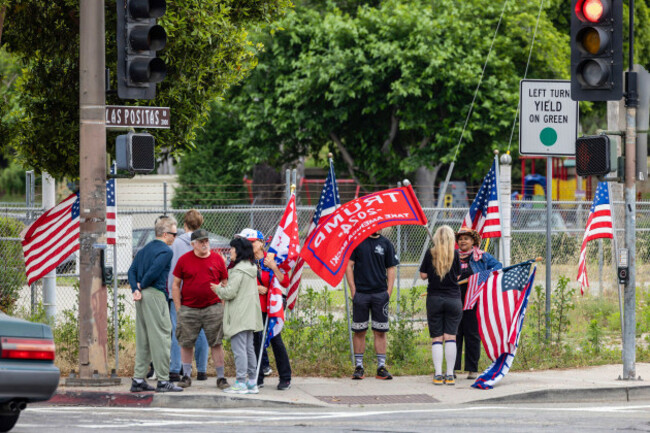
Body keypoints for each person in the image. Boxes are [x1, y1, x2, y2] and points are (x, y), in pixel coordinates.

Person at [128, 215, 183, 393]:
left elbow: (132, 270)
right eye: (174, 234)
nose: (175, 237)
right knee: (162, 336)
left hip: (141, 296)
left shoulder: (144, 249)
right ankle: (163, 380)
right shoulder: (166, 251)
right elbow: (154, 271)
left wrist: (135, 289)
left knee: (143, 337)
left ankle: (138, 379)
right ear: (165, 234)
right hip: (156, 294)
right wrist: (142, 284)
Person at [171, 228, 230, 390]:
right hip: (189, 309)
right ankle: (186, 375)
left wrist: (221, 305)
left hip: (213, 307)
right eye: (201, 242)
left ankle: (221, 377)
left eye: (206, 241)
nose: (205, 244)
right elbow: (175, 285)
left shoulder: (217, 259)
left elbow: (225, 283)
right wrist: (179, 308)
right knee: (186, 342)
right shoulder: (184, 260)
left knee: (216, 343)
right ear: (193, 244)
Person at [236, 228, 293, 391]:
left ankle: (285, 377)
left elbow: (284, 282)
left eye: (252, 242)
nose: (249, 245)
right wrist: (255, 288)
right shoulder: (244, 261)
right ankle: (257, 377)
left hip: (271, 308)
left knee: (276, 341)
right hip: (253, 307)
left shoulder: (272, 258)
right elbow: (238, 283)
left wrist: (274, 267)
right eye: (246, 242)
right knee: (254, 342)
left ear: (261, 243)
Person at [345, 231, 399, 380]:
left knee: (380, 332)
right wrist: (353, 290)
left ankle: (381, 367)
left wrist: (388, 292)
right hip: (361, 294)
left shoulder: (386, 243)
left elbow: (391, 268)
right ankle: (359, 367)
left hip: (380, 295)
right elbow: (348, 266)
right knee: (359, 331)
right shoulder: (358, 242)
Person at [215, 237, 264, 394]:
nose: (230, 251)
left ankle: (241, 382)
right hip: (249, 315)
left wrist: (216, 289)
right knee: (249, 348)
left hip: (239, 315)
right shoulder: (250, 268)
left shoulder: (238, 271)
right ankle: (252, 383)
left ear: (239, 250)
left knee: (240, 350)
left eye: (232, 249)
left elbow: (229, 292)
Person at [166, 209, 210, 382]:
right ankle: (202, 370)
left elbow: (171, 270)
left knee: (179, 330)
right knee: (201, 331)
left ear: (184, 225)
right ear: (200, 225)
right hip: (199, 292)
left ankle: (176, 369)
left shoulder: (175, 244)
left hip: (178, 293)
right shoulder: (204, 243)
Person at [454, 228, 502, 380]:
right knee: (454, 335)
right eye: (461, 238)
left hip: (473, 301)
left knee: (472, 334)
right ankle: (452, 369)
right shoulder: (452, 256)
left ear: (473, 241)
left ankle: (472, 369)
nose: (463, 241)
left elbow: (498, 267)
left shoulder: (482, 257)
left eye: (466, 238)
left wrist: (481, 277)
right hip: (454, 300)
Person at [420, 225, 462, 386]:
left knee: (437, 337)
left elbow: (423, 275)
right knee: (451, 336)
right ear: (452, 239)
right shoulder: (456, 254)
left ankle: (438, 374)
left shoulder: (430, 253)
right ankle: (450, 375)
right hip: (453, 298)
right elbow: (458, 275)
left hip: (434, 298)